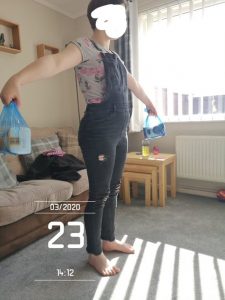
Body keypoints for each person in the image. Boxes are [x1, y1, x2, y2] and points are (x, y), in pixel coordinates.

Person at [0, 0, 157, 276]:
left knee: (113, 188)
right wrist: (17, 78)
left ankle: (108, 239)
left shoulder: (117, 58)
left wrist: (149, 103)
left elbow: (134, 84)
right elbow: (54, 62)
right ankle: (94, 252)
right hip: (97, 130)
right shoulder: (82, 47)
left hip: (119, 130)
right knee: (99, 193)